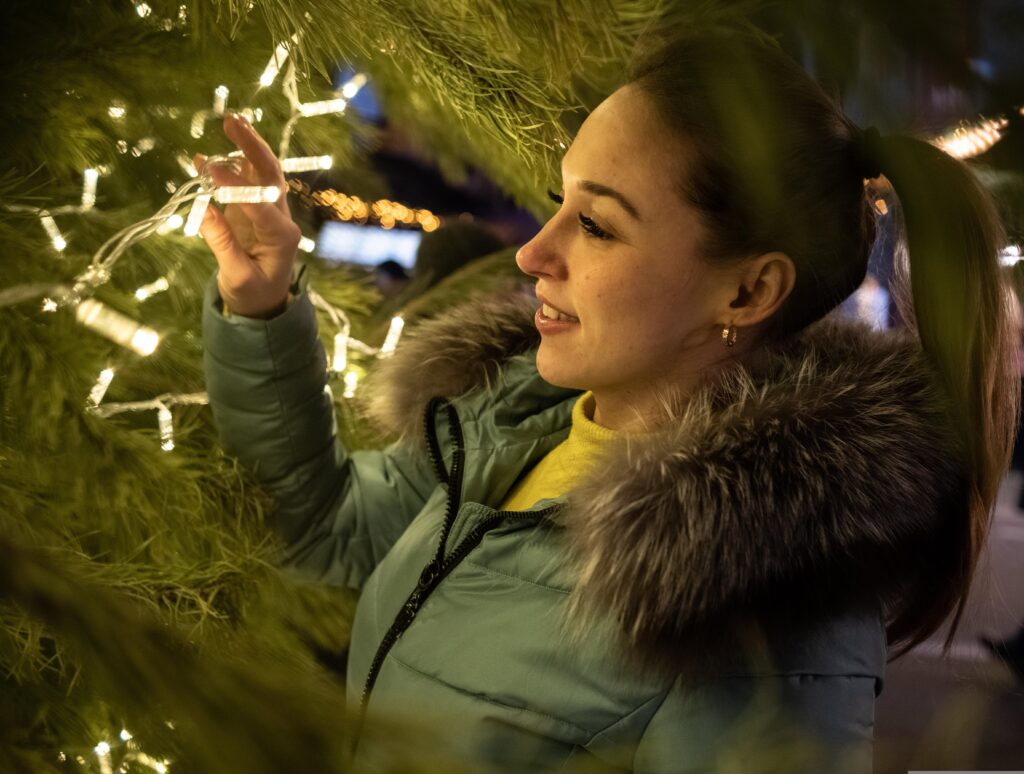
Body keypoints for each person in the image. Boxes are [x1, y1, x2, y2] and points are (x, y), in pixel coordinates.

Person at [196, 26, 1019, 774]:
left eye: (597, 225)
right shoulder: (513, 424)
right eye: (562, 202)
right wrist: (262, 303)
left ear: (749, 290)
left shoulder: (762, 607)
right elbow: (328, 526)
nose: (531, 254)